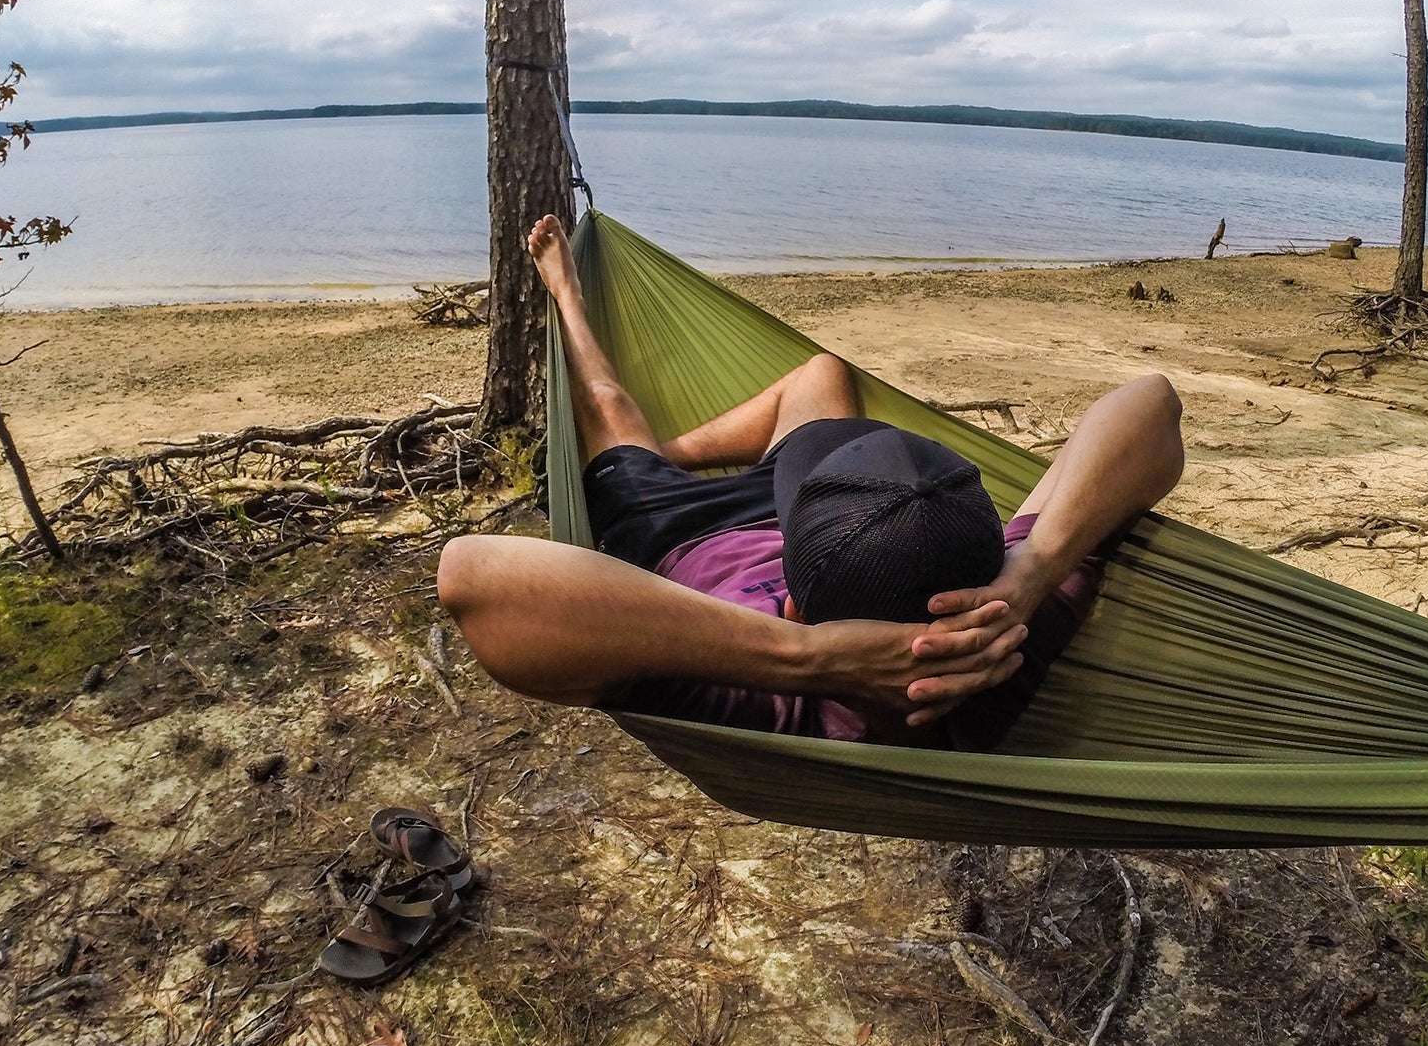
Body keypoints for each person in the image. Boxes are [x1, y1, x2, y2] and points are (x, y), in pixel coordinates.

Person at [437, 214, 1185, 749]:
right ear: (992, 546)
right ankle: (667, 446)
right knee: (823, 373)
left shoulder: (768, 694)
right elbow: (1153, 401)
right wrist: (1034, 569)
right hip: (841, 510)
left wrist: (811, 657)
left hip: (679, 532)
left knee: (604, 405)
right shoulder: (1006, 621)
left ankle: (570, 302)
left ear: (794, 606)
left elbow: (473, 576)